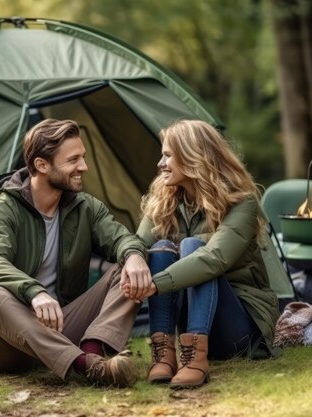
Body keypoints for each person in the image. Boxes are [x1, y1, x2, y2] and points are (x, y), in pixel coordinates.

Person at [0, 118, 152, 387]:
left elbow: (121, 238)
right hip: (3, 343)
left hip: (58, 327)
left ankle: (93, 356)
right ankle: (84, 365)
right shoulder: (1, 208)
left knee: (128, 270)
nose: (83, 167)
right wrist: (34, 292)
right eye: (73, 160)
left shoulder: (85, 208)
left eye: (82, 157)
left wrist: (134, 256)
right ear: (41, 165)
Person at [123, 119, 280, 390]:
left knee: (194, 249)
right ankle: (163, 353)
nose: (160, 164)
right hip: (192, 316)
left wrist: (154, 284)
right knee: (159, 249)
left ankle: (196, 359)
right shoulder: (165, 198)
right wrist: (134, 259)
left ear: (193, 156)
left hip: (240, 327)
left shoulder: (242, 202)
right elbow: (138, 241)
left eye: (168, 155)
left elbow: (214, 259)